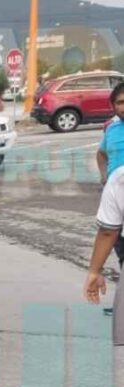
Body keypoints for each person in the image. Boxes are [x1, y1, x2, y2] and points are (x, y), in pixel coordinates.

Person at [85, 83, 124, 332]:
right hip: (117, 199)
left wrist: (93, 271)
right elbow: (101, 154)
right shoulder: (111, 129)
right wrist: (104, 176)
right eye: (120, 102)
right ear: (113, 106)